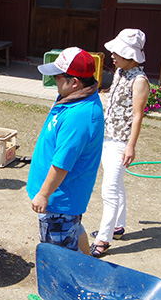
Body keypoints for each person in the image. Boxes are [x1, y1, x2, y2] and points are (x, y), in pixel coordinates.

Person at [28, 47, 105, 254]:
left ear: (74, 82)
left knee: (59, 256)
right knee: (75, 230)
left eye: (57, 77)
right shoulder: (74, 97)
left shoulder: (78, 115)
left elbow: (62, 163)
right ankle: (89, 270)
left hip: (60, 201)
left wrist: (44, 194)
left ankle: (68, 285)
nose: (54, 80)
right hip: (63, 200)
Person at [90, 29, 149, 258]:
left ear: (130, 54)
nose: (112, 55)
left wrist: (130, 146)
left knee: (109, 191)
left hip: (120, 142)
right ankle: (118, 226)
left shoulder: (139, 81)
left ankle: (102, 239)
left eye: (118, 52)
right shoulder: (120, 73)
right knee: (117, 185)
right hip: (107, 136)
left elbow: (137, 115)